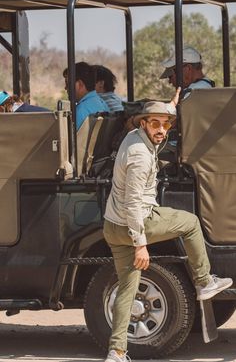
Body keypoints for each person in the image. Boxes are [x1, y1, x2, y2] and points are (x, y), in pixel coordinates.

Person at [103, 99, 232, 362]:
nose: (161, 129)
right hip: (134, 223)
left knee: (127, 289)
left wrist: (168, 105)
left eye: (165, 124)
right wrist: (140, 244)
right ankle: (205, 282)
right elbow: (134, 203)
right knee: (190, 222)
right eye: (155, 123)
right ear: (144, 124)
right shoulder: (140, 155)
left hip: (112, 226)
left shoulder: (133, 138)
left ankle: (116, 352)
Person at [160, 46, 215, 111]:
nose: (170, 82)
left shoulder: (193, 93)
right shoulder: (205, 86)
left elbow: (173, 117)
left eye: (171, 76)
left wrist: (172, 105)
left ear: (188, 68)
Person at [63, 62, 109, 130]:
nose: (65, 88)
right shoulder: (103, 103)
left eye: (68, 84)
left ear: (80, 84)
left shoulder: (79, 111)